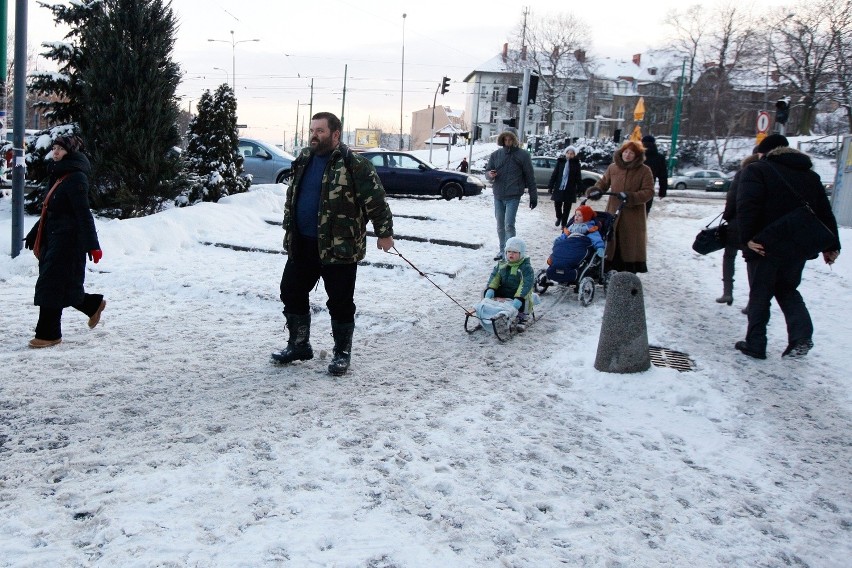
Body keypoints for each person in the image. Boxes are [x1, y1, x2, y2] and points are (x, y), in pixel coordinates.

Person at [272, 112, 394, 376]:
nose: (314, 135)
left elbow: (377, 201)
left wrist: (384, 233)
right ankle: (299, 344)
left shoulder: (355, 164)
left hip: (340, 247)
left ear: (335, 134)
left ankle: (342, 353)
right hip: (302, 243)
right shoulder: (304, 159)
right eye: (312, 130)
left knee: (340, 302)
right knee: (291, 291)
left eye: (320, 131)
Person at [735, 133, 841, 360]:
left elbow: (747, 207)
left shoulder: (756, 170)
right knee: (788, 289)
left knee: (760, 293)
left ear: (764, 152)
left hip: (764, 244)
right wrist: (832, 245)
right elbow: (824, 212)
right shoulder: (810, 176)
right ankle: (801, 337)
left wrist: (747, 239)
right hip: (797, 247)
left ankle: (756, 343)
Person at [23, 135, 105, 348]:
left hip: (69, 242)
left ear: (70, 152)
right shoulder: (59, 175)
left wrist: (93, 245)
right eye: (55, 148)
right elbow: (50, 210)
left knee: (51, 285)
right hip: (54, 239)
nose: (56, 152)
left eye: (60, 149)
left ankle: (48, 334)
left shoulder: (76, 178)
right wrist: (34, 234)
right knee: (61, 285)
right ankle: (92, 304)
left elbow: (83, 213)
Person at [586, 140, 654, 273]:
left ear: (637, 155)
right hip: (613, 211)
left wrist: (631, 196)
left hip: (633, 215)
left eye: (631, 153)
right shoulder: (613, 167)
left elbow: (649, 191)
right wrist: (596, 190)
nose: (628, 155)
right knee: (611, 238)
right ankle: (608, 268)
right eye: (626, 152)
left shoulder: (644, 170)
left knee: (629, 242)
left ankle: (629, 270)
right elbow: (603, 183)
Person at [716, 150, 761, 306]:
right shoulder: (768, 173)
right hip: (758, 227)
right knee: (752, 263)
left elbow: (732, 198)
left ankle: (727, 292)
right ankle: (752, 301)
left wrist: (727, 217)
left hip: (737, 224)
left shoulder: (742, 173)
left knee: (729, 257)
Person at [485, 130, 537, 260]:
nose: (508, 142)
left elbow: (530, 177)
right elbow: (487, 172)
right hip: (498, 194)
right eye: (505, 140)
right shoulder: (495, 155)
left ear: (515, 140)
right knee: (500, 225)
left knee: (509, 224)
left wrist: (533, 195)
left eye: (510, 139)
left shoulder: (523, 155)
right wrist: (490, 175)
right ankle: (502, 250)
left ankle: (511, 251)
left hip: (513, 195)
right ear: (502, 140)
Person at [545, 205, 606, 283]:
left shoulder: (590, 229)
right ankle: (556, 266)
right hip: (568, 244)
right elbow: (564, 236)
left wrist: (600, 247)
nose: (576, 217)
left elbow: (596, 239)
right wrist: (558, 241)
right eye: (576, 215)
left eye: (580, 215)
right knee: (560, 251)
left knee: (573, 256)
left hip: (580, 245)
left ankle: (569, 271)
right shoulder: (571, 227)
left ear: (586, 217)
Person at [483, 236, 535, 324]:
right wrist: (491, 289)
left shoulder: (526, 268)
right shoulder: (502, 265)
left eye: (514, 252)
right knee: (485, 292)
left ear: (521, 253)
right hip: (505, 291)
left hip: (517, 294)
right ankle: (487, 311)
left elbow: (525, 284)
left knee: (524, 300)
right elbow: (495, 277)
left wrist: (518, 298)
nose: (511, 254)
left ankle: (523, 316)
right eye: (509, 251)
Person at [547, 146, 582, 227]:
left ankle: (564, 224)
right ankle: (559, 217)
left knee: (567, 208)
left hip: (570, 189)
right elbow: (555, 174)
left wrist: (580, 189)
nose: (569, 155)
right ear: (565, 153)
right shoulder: (560, 162)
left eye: (571, 154)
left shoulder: (576, 164)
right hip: (559, 187)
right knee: (557, 205)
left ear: (574, 155)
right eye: (568, 153)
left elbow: (578, 177)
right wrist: (550, 186)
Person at [641, 135, 668, 214]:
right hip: (649, 189)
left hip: (634, 188)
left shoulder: (637, 155)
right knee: (645, 212)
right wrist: (662, 192)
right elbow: (663, 176)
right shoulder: (659, 158)